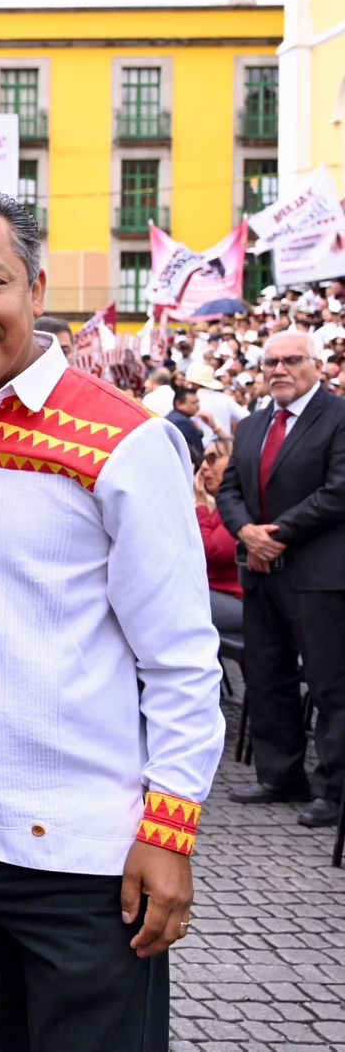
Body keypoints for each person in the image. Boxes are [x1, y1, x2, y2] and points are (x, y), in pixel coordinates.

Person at [0, 180, 224, 1052]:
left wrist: (170, 831)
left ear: (33, 288)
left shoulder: (125, 441)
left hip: (80, 860)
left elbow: (180, 658)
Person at [218, 331, 345, 828]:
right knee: (268, 676)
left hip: (319, 575)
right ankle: (280, 775)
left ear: (317, 365)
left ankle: (333, 791)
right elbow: (229, 490)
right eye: (271, 362)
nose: (279, 370)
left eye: (292, 360)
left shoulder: (338, 417)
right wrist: (247, 533)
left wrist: (277, 534)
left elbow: (339, 491)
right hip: (261, 571)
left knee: (331, 685)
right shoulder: (253, 424)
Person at [195, 445, 243, 636]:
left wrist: (200, 506)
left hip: (236, 601)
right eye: (204, 460)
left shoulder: (239, 504)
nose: (204, 466)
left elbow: (211, 552)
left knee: (172, 600)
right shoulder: (218, 504)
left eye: (213, 458)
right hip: (214, 592)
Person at [167, 387, 207, 471]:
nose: (198, 406)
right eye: (193, 402)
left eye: (198, 402)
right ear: (179, 404)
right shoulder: (182, 422)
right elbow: (197, 454)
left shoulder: (172, 417)